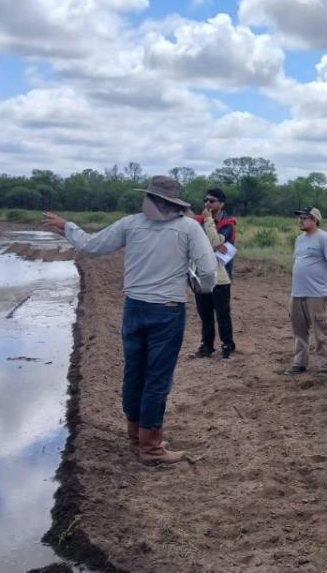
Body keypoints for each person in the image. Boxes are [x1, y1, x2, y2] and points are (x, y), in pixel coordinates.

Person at [44, 176, 217, 464]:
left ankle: (136, 434)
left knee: (134, 373)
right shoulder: (189, 228)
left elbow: (91, 245)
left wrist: (67, 227)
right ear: (174, 202)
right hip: (168, 310)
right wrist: (202, 287)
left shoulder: (131, 223)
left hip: (134, 308)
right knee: (157, 379)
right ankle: (150, 447)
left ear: (150, 199)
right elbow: (209, 271)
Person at [286, 207, 327, 377]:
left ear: (315, 220)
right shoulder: (299, 240)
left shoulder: (324, 238)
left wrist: (325, 278)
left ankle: (326, 367)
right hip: (297, 293)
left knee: (321, 331)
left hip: (317, 294)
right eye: (300, 217)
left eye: (305, 218)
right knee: (299, 331)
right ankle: (299, 364)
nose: (301, 220)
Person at [191, 188, 238, 359]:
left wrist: (209, 221)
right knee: (205, 313)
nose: (207, 204)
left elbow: (214, 242)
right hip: (201, 274)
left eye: (212, 201)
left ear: (221, 204)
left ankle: (227, 345)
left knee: (222, 313)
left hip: (221, 276)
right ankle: (207, 345)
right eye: (206, 200)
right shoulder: (199, 222)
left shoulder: (228, 224)